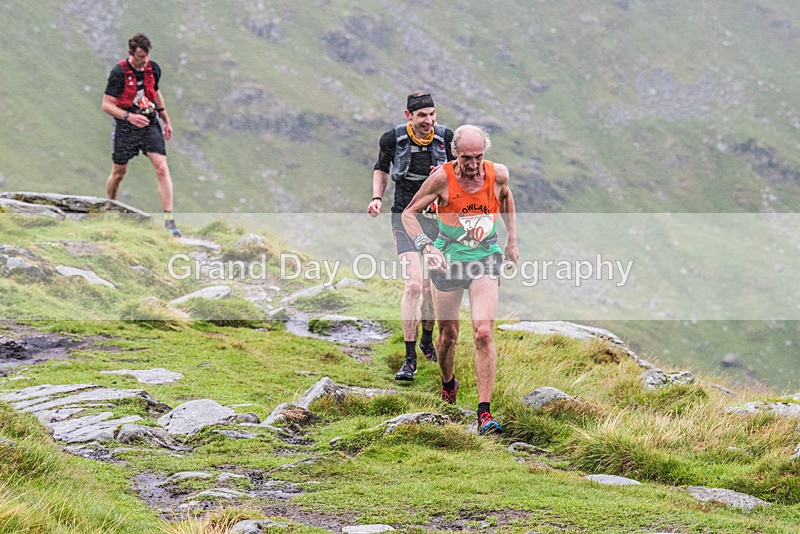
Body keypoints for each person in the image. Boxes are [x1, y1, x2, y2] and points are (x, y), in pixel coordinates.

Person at [402, 125, 518, 435]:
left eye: (479, 157)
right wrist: (426, 247)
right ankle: (448, 384)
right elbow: (409, 213)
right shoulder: (442, 178)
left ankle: (484, 414)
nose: (473, 165)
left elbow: (506, 197)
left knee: (483, 332)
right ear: (455, 153)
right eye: (467, 158)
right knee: (448, 336)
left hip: (485, 257)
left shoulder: (498, 174)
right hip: (448, 259)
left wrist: (511, 240)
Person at [368, 92, 455, 381]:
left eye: (432, 114)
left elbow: (462, 177)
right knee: (414, 285)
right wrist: (376, 198)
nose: (428, 120)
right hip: (403, 218)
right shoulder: (392, 139)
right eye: (422, 115)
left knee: (431, 288)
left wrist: (445, 175)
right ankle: (409, 359)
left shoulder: (446, 139)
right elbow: (381, 168)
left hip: (437, 223)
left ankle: (427, 340)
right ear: (409, 116)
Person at [102, 33, 180, 236]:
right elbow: (106, 105)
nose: (144, 61)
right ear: (131, 53)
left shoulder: (153, 69)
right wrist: (129, 117)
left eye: (146, 56)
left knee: (162, 167)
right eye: (140, 57)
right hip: (126, 126)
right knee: (119, 173)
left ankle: (169, 220)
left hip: (149, 123)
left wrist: (166, 119)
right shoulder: (118, 72)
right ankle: (110, 208)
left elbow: (155, 92)